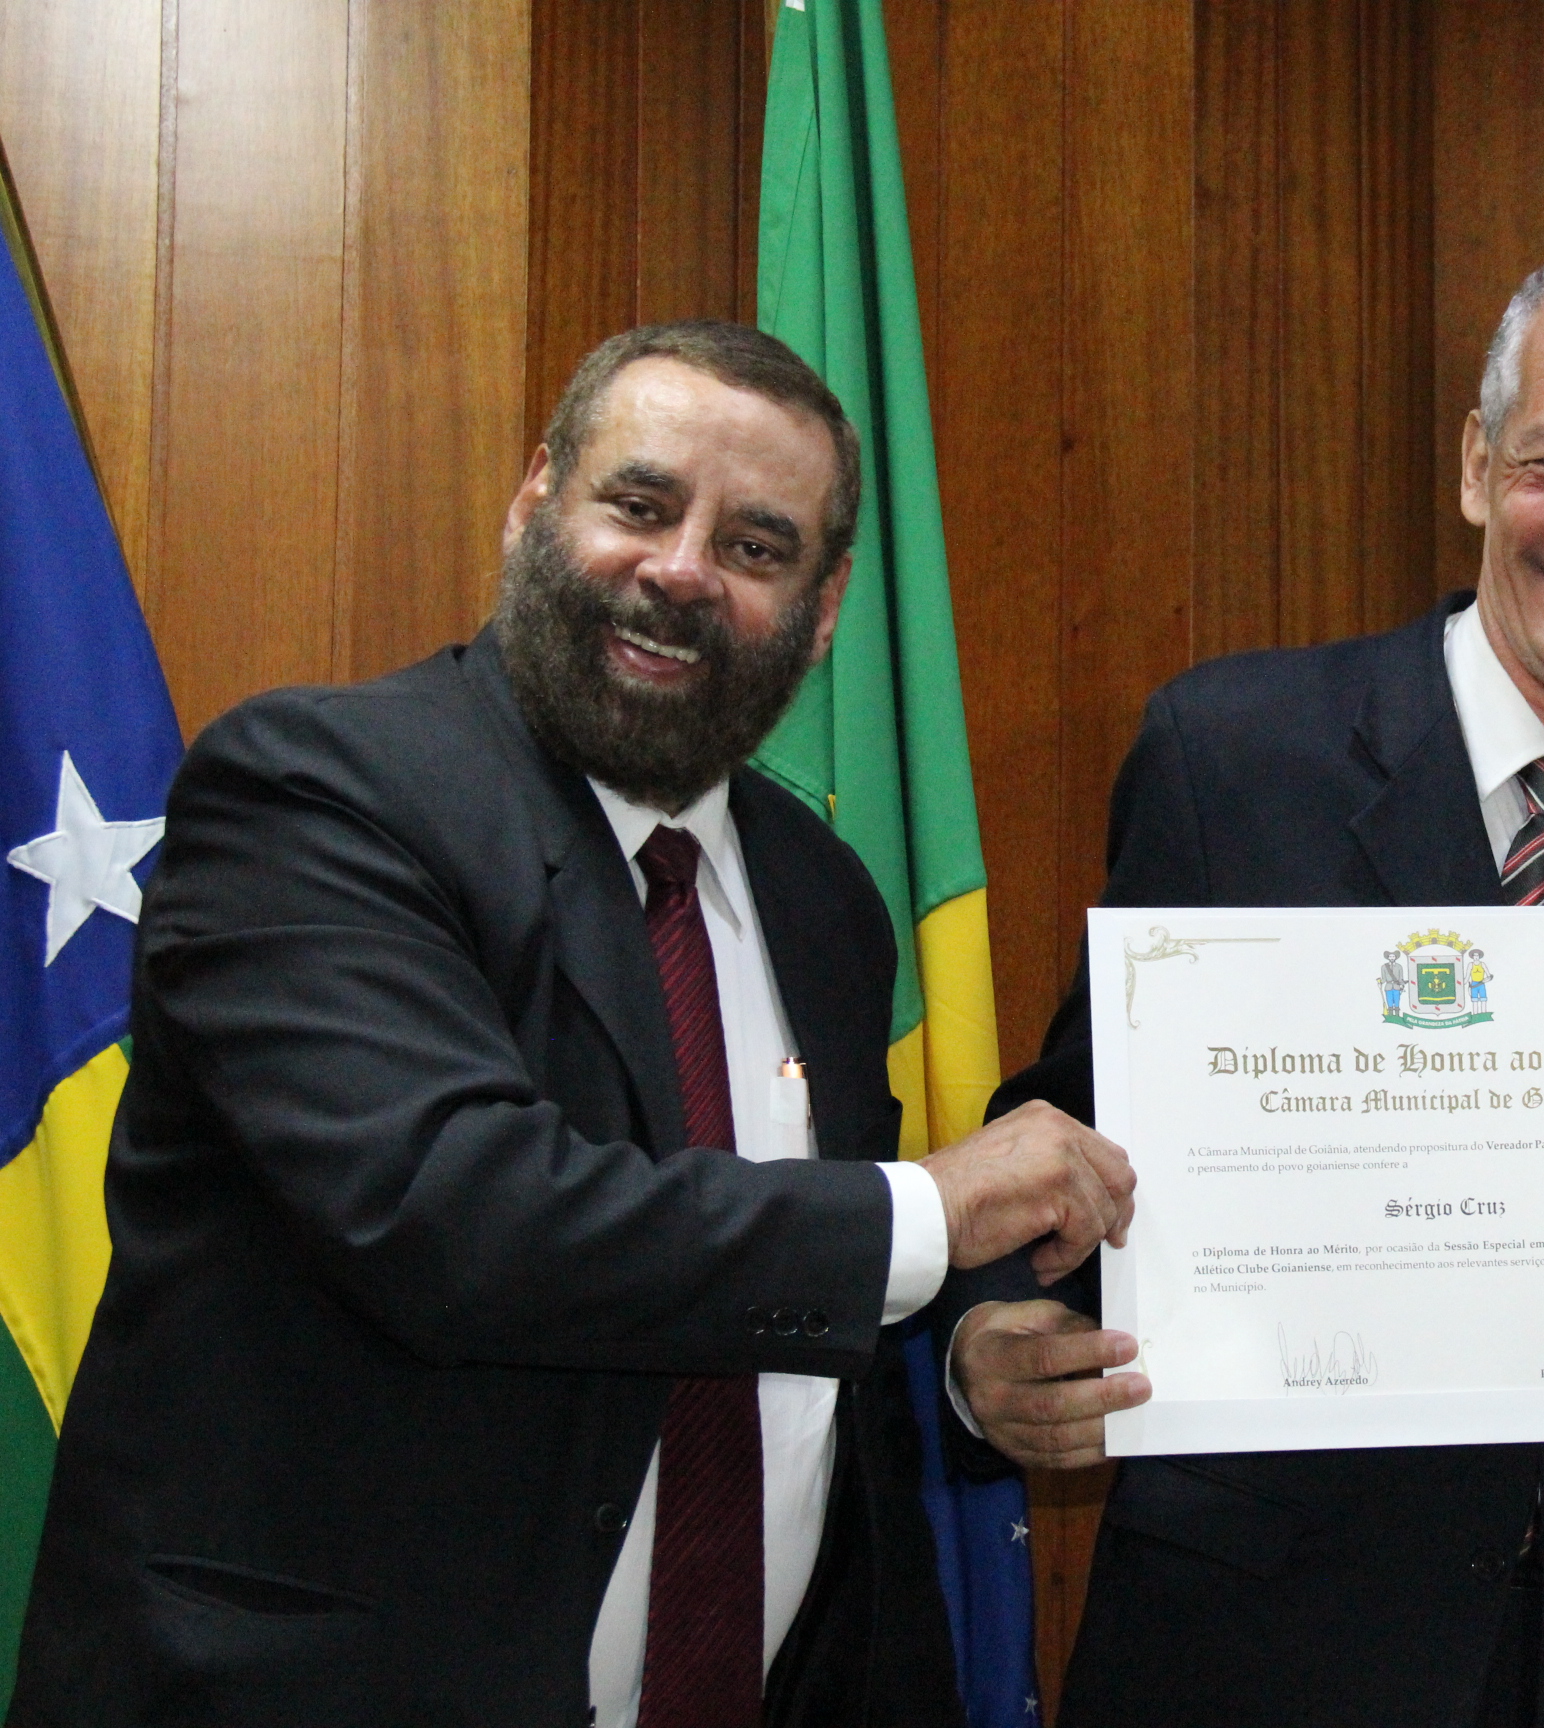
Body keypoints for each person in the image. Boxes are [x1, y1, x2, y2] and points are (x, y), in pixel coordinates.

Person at [9, 322, 1135, 1728]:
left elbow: (793, 1300)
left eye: (756, 546)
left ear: (824, 608)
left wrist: (970, 1364)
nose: (682, 570)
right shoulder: (315, 793)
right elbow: (456, 1214)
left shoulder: (824, 900)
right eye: (641, 505)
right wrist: (926, 1211)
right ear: (535, 498)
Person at [936, 236, 1544, 1728]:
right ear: (1478, 465)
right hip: (1262, 1653)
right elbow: (1066, 1128)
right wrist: (987, 1336)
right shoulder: (1231, 758)